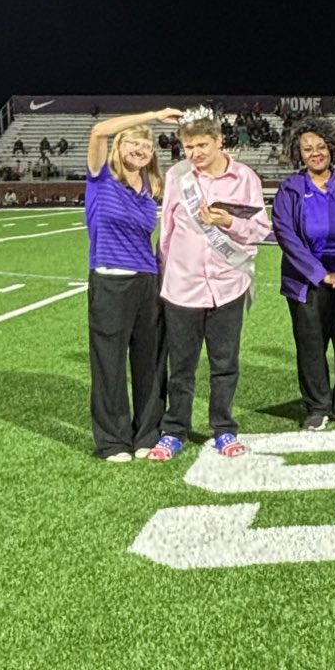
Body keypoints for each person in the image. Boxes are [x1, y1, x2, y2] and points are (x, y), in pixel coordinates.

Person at [149, 106, 272, 461]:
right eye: (189, 148)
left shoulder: (245, 177)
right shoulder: (177, 176)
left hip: (228, 284)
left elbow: (260, 230)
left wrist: (229, 221)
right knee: (181, 366)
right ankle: (174, 430)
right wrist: (165, 274)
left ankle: (224, 428)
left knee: (224, 363)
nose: (195, 154)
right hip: (182, 286)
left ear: (220, 141)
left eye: (202, 145)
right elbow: (167, 232)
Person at [85, 107, 182, 462]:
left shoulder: (151, 186)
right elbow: (99, 131)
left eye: (146, 145)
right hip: (111, 278)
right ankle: (113, 441)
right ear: (120, 146)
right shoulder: (100, 177)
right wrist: (154, 116)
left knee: (150, 361)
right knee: (109, 362)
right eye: (133, 143)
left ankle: (146, 434)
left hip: (147, 281)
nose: (140, 150)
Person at [272, 116, 335, 430]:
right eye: (307, 148)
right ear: (297, 154)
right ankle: (317, 407)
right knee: (311, 343)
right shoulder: (290, 189)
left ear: (331, 148)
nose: (315, 153)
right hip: (307, 280)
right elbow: (286, 236)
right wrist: (321, 274)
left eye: (320, 146)